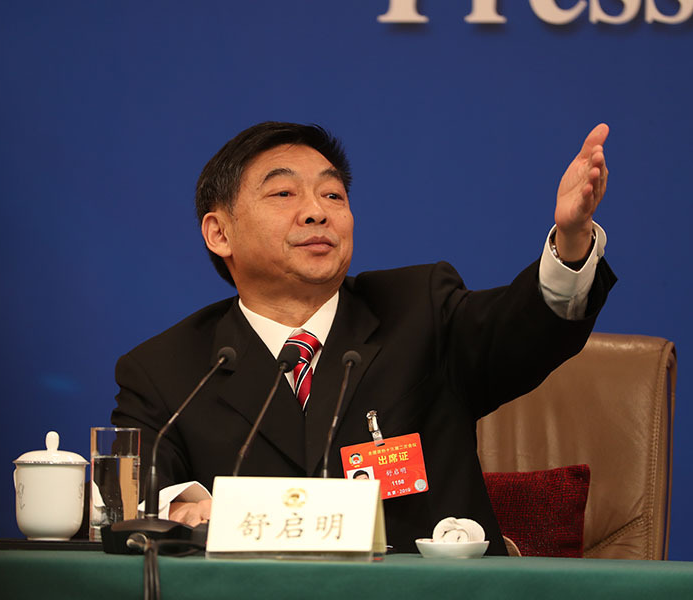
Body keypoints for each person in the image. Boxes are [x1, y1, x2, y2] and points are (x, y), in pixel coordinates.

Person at [111, 121, 615, 554]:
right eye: (284, 194)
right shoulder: (165, 371)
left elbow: (525, 330)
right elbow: (138, 496)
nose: (317, 212)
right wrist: (180, 506)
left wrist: (570, 244)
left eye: (332, 195)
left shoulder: (420, 310)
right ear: (219, 233)